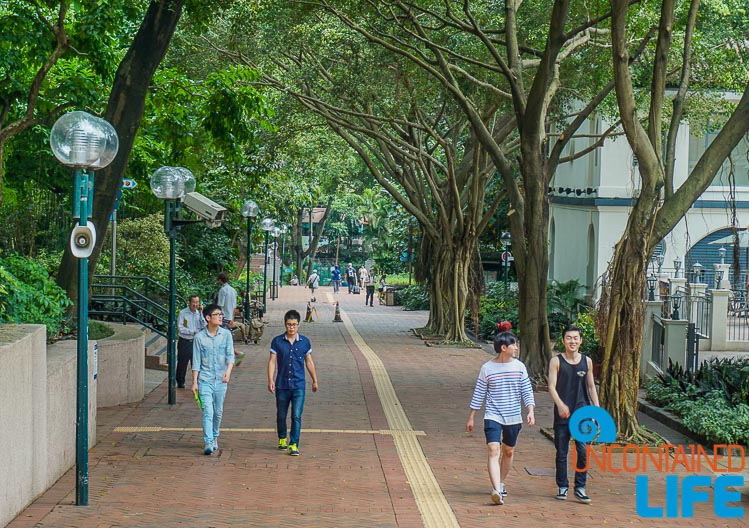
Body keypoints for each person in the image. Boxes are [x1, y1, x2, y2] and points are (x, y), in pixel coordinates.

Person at [467, 331, 535, 506]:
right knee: (493, 450)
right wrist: (472, 416)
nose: (516, 347)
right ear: (504, 348)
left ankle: (502, 483)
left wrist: (530, 410)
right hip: (493, 415)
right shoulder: (487, 368)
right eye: (514, 345)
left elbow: (526, 390)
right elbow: (479, 392)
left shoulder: (519, 367)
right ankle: (496, 490)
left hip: (513, 416)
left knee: (508, 451)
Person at [548, 324, 600, 504]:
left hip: (582, 414)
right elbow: (551, 387)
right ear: (563, 340)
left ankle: (580, 487)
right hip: (562, 415)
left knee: (583, 450)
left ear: (580, 341)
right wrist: (561, 405)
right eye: (569, 338)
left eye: (575, 338)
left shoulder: (587, 361)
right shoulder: (556, 361)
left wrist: (596, 409)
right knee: (562, 452)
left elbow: (592, 386)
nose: (572, 341)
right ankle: (562, 486)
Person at [267, 309, 319, 456]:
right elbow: (272, 362)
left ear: (298, 325)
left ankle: (294, 443)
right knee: (281, 414)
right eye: (289, 325)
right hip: (282, 384)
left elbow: (309, 362)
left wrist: (314, 380)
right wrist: (270, 379)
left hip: (299, 385)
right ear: (285, 324)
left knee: (296, 415)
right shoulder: (277, 341)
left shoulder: (304, 342)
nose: (291, 328)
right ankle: (282, 437)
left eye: (294, 325)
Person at [192, 303, 234, 456]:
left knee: (218, 411)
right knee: (208, 411)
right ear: (208, 318)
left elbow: (230, 356)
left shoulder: (226, 335)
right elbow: (196, 361)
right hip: (205, 379)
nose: (220, 317)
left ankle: (215, 436)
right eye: (217, 315)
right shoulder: (199, 338)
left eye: (221, 314)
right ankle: (208, 441)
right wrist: (195, 381)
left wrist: (228, 372)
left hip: (221, 380)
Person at [176, 295, 206, 388]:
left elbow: (204, 326)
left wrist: (201, 314)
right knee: (182, 363)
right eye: (193, 302)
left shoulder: (199, 314)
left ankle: (197, 382)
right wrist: (192, 331)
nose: (195, 304)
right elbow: (180, 328)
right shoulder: (183, 313)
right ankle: (180, 382)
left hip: (196, 342)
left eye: (197, 302)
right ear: (189, 302)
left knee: (196, 362)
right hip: (185, 341)